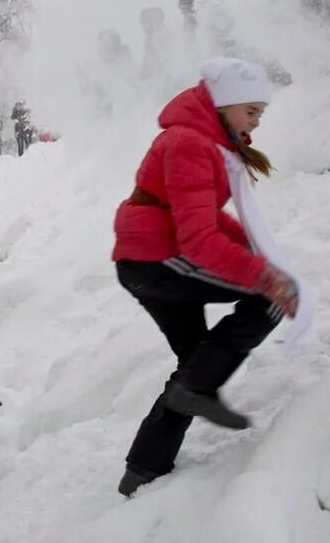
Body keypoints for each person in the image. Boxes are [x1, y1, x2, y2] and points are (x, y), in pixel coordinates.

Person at [111, 58, 304, 497]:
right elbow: (198, 240)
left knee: (195, 365)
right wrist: (264, 274)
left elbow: (204, 217)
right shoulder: (190, 144)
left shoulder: (201, 141)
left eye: (260, 112)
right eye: (251, 110)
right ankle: (193, 391)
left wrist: (256, 251)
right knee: (267, 300)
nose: (257, 121)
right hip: (156, 259)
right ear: (224, 103)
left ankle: (143, 470)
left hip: (148, 257)